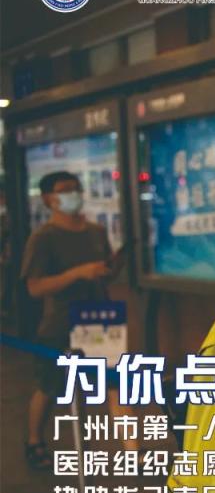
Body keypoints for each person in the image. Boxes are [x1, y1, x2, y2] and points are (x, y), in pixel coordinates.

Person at [19, 171, 132, 470]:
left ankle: (133, 451)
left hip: (100, 319)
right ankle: (34, 441)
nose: (74, 193)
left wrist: (111, 267)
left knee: (115, 384)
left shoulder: (95, 232)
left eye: (76, 187)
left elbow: (105, 274)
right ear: (49, 199)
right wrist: (77, 274)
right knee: (50, 386)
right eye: (65, 189)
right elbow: (35, 287)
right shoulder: (43, 238)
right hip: (60, 323)